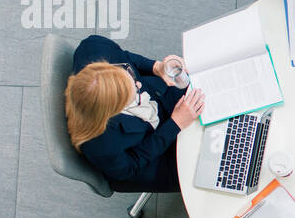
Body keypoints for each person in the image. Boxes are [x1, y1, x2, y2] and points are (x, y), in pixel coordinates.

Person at [65, 35, 204, 192]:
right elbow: (130, 167)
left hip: (160, 99)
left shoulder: (94, 47)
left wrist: (155, 67)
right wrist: (175, 124)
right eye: (133, 92)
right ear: (114, 111)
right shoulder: (100, 143)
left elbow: (125, 57)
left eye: (130, 76)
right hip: (153, 158)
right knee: (207, 167)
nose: (139, 83)